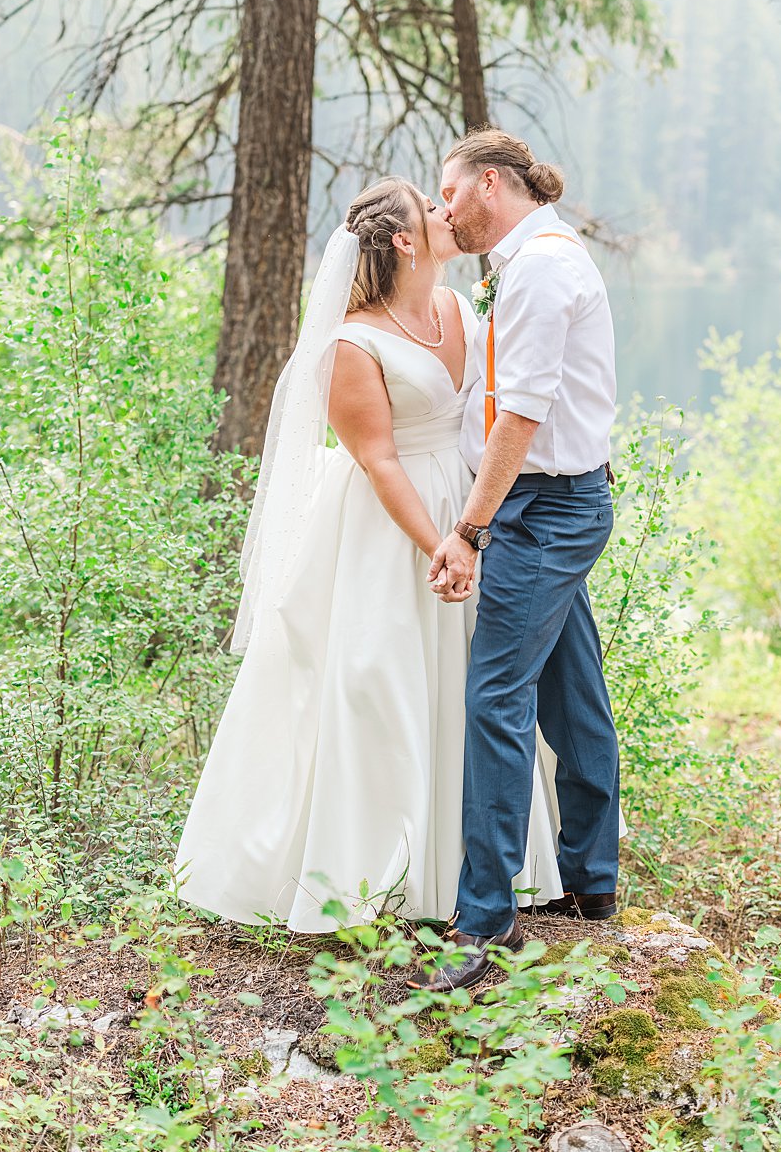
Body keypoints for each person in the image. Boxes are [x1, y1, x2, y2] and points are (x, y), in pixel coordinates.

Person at [176, 178, 563, 931]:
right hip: (393, 529)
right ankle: (378, 869)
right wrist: (440, 544)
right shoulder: (351, 343)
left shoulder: (455, 306)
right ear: (405, 241)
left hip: (470, 508)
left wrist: (481, 525)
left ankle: (476, 865)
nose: (448, 212)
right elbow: (380, 459)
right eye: (431, 208)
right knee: (378, 679)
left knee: (476, 687)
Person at [424, 129, 621, 993]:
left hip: (542, 511)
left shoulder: (540, 266)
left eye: (451, 193)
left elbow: (521, 418)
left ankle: (484, 917)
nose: (444, 211)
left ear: (492, 183)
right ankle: (592, 877)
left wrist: (469, 530)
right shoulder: (539, 256)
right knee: (570, 688)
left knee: (495, 695)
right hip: (552, 503)